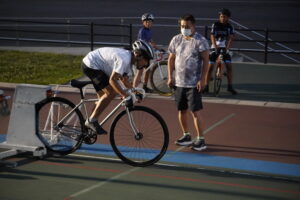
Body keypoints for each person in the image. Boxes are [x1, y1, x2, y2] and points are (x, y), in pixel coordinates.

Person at [82, 40, 154, 134]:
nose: (145, 64)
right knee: (111, 92)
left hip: (98, 66)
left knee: (102, 98)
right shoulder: (124, 59)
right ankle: (91, 121)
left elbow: (124, 80)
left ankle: (86, 128)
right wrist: (125, 96)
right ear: (138, 55)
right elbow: (112, 80)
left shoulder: (129, 61)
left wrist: (135, 92)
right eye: (146, 60)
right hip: (91, 64)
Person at [167, 14, 210, 151]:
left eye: (187, 26)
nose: (184, 28)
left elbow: (206, 61)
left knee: (195, 112)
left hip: (193, 84)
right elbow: (171, 59)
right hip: (179, 82)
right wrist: (170, 76)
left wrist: (203, 79)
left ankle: (201, 140)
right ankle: (186, 135)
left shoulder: (200, 41)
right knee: (181, 110)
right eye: (182, 26)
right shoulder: (176, 39)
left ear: (193, 26)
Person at [206, 8, 237, 95]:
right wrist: (215, 47)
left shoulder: (230, 27)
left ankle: (230, 87)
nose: (222, 18)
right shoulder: (215, 24)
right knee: (210, 67)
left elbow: (231, 38)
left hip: (224, 48)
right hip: (215, 47)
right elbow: (212, 36)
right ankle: (206, 86)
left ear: (228, 18)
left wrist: (228, 49)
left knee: (229, 66)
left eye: (224, 17)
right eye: (221, 16)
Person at [134, 13, 158, 93]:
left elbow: (151, 41)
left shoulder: (149, 31)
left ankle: (145, 87)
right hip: (141, 53)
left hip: (146, 53)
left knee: (147, 70)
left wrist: (158, 48)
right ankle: (133, 89)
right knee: (140, 72)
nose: (148, 23)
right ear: (143, 22)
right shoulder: (142, 31)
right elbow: (141, 43)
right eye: (147, 22)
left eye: (150, 22)